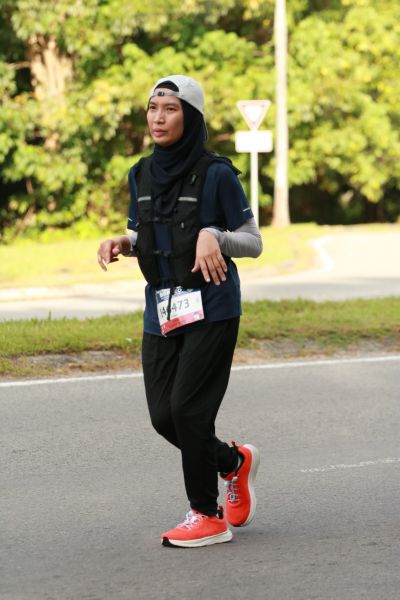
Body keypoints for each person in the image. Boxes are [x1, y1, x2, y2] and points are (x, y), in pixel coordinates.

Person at [97, 75, 263, 548]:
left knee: (189, 410)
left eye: (170, 109)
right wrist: (124, 242)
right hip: (164, 308)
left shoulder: (217, 174)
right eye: (153, 108)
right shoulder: (141, 173)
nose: (158, 117)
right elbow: (150, 231)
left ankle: (206, 516)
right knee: (163, 416)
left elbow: (252, 241)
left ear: (190, 117)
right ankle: (233, 463)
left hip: (213, 306)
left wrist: (215, 235)